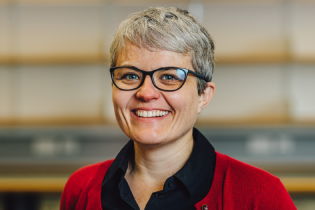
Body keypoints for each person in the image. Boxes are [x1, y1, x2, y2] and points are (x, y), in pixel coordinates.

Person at [60, 7, 296, 210]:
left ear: (203, 94)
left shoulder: (260, 194)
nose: (146, 93)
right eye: (130, 75)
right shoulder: (81, 188)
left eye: (169, 77)